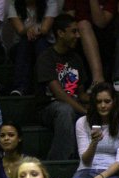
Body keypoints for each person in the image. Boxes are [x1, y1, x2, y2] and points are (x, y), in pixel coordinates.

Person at [35, 13, 89, 161]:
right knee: (65, 110)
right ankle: (59, 164)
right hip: (49, 107)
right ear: (60, 33)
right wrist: (85, 111)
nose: (77, 36)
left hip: (73, 105)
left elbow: (81, 93)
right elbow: (59, 95)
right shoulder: (46, 57)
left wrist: (96, 100)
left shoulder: (76, 58)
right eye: (73, 31)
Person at [7, 0, 58, 96]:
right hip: (20, 47)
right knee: (25, 40)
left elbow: (45, 29)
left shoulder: (50, 2)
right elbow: (20, 30)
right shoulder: (13, 5)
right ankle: (21, 87)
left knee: (39, 42)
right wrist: (28, 30)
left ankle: (44, 86)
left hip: (45, 44)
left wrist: (34, 31)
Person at [63, 0, 117, 87]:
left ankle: (98, 79)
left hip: (103, 36)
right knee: (78, 26)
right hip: (78, 35)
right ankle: (69, 86)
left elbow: (100, 23)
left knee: (83, 24)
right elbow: (68, 20)